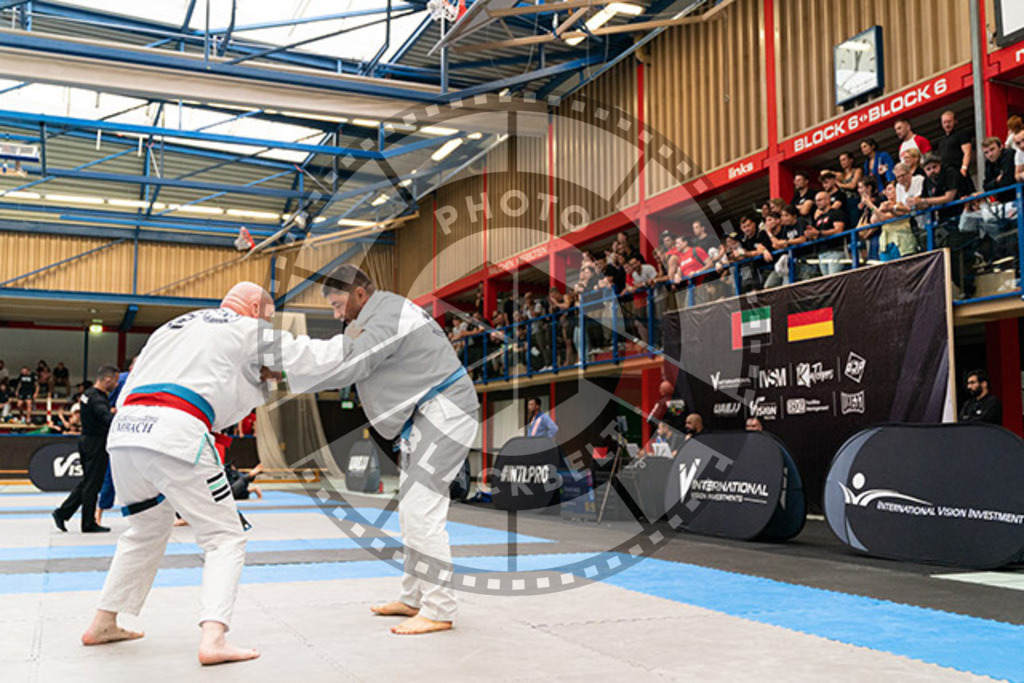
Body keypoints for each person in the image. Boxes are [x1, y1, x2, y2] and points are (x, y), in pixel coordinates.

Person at [270, 264, 479, 636]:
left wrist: (287, 372)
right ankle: (414, 597)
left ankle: (440, 608)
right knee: (410, 514)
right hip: (428, 414)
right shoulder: (381, 312)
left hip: (444, 408)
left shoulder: (387, 314)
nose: (336, 314)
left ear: (360, 294)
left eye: (337, 304)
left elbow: (353, 362)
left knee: (420, 512)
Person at [80, 283, 278, 665]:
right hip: (177, 429)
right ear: (254, 308)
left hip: (125, 433)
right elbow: (243, 397)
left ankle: (103, 621)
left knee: (144, 531)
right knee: (224, 537)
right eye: (267, 316)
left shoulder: (174, 328)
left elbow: (128, 385)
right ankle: (214, 639)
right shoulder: (245, 332)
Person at [53, 365, 119, 534]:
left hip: (87, 440)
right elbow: (105, 417)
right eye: (116, 381)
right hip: (96, 443)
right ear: (107, 379)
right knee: (92, 484)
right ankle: (88, 522)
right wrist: (118, 416)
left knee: (88, 481)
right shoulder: (97, 398)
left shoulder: (87, 394)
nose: (117, 385)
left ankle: (63, 513)